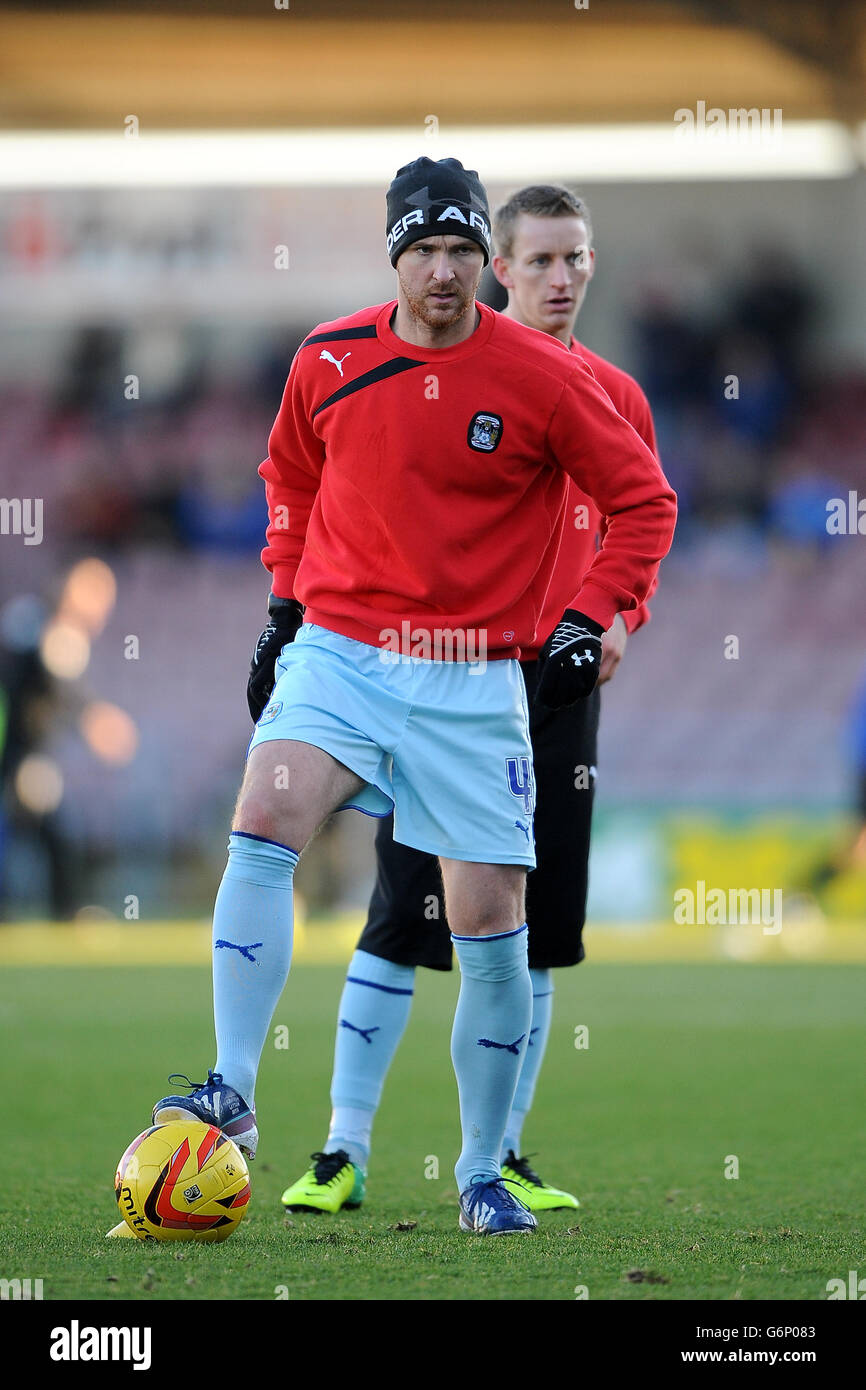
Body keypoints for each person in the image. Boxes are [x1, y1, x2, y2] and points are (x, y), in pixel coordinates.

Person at [151, 159, 676, 1236]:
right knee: (263, 819)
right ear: (393, 253)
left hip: (472, 675)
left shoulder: (543, 376)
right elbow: (289, 481)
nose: (443, 270)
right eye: (423, 249)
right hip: (341, 651)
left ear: (484, 259)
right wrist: (282, 608)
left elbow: (642, 501)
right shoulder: (326, 358)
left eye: (460, 250)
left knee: (492, 930)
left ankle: (481, 1169)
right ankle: (233, 1088)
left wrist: (591, 613)